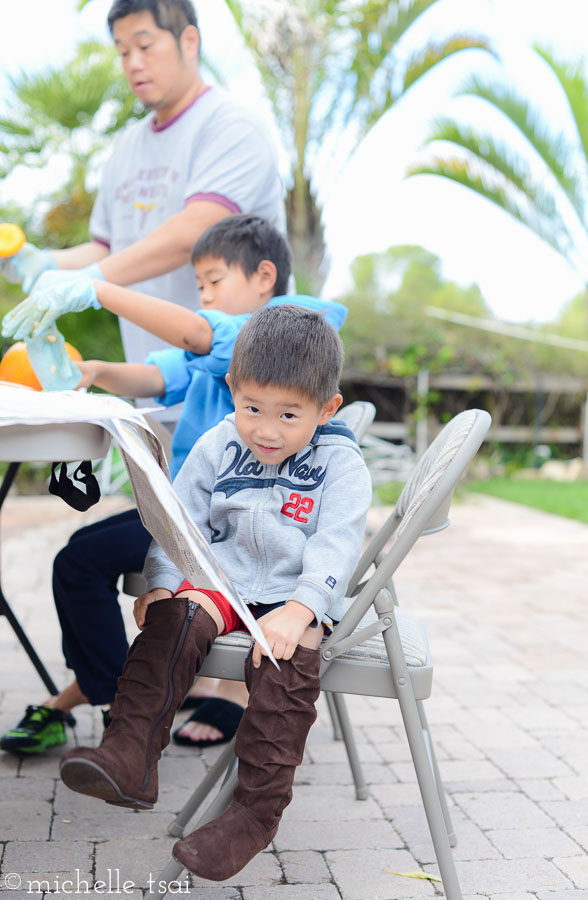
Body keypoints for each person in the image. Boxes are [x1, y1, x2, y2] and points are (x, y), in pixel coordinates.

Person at [0, 215, 348, 755]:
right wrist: (90, 370)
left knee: (79, 561)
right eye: (200, 287)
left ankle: (128, 700)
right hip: (188, 505)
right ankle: (126, 694)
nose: (204, 295)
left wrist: (97, 289)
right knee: (80, 557)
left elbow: (198, 333)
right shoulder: (223, 346)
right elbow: (159, 375)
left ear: (263, 276)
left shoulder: (277, 332)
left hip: (217, 523)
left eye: (213, 281)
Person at [59, 305, 373, 882]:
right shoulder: (218, 443)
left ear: (326, 409)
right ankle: (131, 754)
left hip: (296, 593)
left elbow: (337, 545)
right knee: (178, 616)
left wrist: (302, 607)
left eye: (288, 414)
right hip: (224, 580)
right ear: (232, 388)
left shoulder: (341, 464)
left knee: (287, 649)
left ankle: (254, 812)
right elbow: (177, 525)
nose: (266, 429)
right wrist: (163, 584)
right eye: (252, 407)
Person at [0, 0, 286, 371]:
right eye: (123, 51)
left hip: (244, 389)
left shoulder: (230, 126)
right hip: (155, 378)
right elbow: (108, 248)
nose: (133, 63)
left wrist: (91, 282)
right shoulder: (127, 147)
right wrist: (47, 262)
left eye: (145, 46)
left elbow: (197, 231)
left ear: (188, 40)